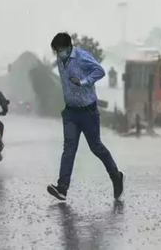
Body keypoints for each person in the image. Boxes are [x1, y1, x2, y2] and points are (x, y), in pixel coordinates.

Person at [47, 32, 125, 201]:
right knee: (69, 149)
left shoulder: (82, 57)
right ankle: (62, 188)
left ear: (69, 47)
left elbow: (100, 71)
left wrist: (83, 82)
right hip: (70, 112)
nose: (58, 53)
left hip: (88, 112)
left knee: (96, 147)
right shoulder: (60, 60)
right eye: (56, 50)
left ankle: (116, 177)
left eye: (60, 49)